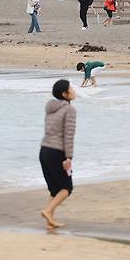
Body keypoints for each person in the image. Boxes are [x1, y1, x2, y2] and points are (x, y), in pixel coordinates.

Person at [39, 79, 76, 229]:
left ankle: (50, 220)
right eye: (71, 89)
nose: (73, 90)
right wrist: (69, 157)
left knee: (55, 189)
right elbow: (68, 134)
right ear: (64, 94)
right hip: (57, 152)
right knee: (67, 188)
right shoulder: (69, 109)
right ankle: (47, 211)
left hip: (44, 150)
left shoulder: (50, 108)